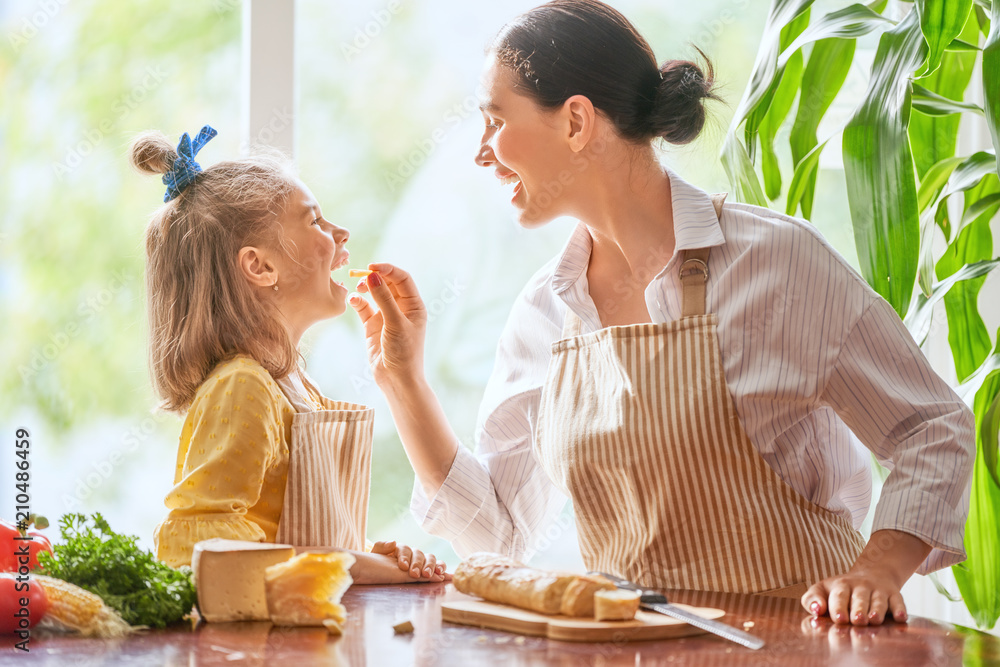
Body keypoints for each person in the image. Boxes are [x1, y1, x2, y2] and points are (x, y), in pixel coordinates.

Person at [349, 0, 975, 624]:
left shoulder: (779, 262)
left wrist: (877, 568)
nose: (481, 153)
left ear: (575, 122)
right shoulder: (546, 312)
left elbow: (932, 429)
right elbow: (498, 535)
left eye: (494, 121)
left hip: (798, 645)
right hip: (628, 647)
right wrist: (403, 381)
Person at [135, 126, 446, 583]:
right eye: (315, 220)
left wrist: (359, 555)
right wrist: (359, 565)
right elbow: (205, 550)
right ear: (260, 266)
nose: (341, 233)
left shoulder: (294, 388)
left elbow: (289, 538)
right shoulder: (242, 387)